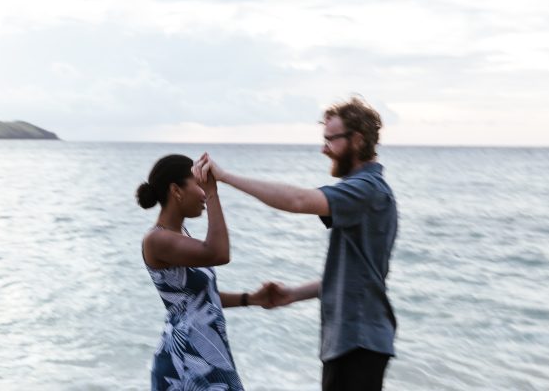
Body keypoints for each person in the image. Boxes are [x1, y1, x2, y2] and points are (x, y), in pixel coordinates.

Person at [194, 97, 398, 391]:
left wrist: (225, 177)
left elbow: (298, 200)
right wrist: (293, 294)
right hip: (353, 340)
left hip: (359, 340)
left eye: (330, 140)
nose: (323, 148)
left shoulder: (367, 190)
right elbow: (357, 275)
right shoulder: (365, 192)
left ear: (357, 139)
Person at [137, 153, 272, 391]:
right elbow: (219, 252)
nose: (203, 193)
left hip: (206, 357)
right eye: (198, 185)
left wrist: (250, 299)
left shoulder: (181, 236)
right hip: (187, 364)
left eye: (204, 187)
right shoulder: (157, 239)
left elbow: (200, 298)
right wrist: (212, 192)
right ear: (176, 190)